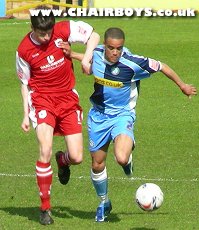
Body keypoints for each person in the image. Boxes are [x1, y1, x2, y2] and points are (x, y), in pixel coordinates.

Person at [67, 27, 197, 222]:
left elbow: (162, 66)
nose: (114, 52)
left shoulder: (133, 63)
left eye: (118, 48)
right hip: (98, 116)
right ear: (105, 45)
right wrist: (72, 54)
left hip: (122, 115)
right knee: (97, 163)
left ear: (123, 46)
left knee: (120, 157)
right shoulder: (96, 53)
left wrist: (182, 86)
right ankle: (104, 202)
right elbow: (88, 58)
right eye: (111, 48)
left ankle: (127, 156)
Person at [16, 5, 100, 225]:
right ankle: (45, 208)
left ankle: (63, 161)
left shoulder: (63, 30)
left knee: (77, 157)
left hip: (67, 100)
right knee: (44, 149)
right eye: (41, 33)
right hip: (42, 100)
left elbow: (94, 35)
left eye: (49, 32)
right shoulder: (24, 50)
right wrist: (26, 114)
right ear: (31, 27)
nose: (46, 37)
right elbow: (24, 83)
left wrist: (85, 57)